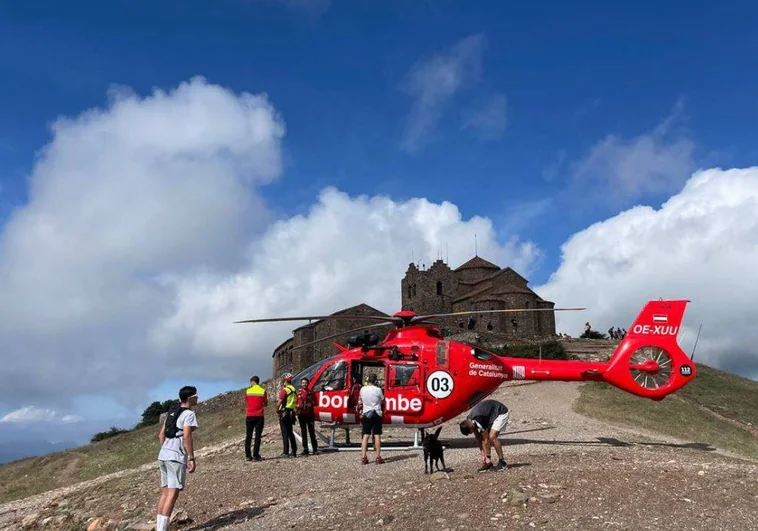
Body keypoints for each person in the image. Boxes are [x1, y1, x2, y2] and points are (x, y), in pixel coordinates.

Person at [156, 386, 199, 531]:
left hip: (163, 454)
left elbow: (161, 435)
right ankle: (162, 529)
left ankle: (159, 527)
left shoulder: (172, 411)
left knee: (165, 492)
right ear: (191, 398)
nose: (198, 398)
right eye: (196, 396)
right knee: (173, 493)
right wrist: (191, 458)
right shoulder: (188, 414)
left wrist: (166, 449)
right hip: (175, 456)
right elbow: (187, 437)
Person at [459, 399, 509, 472]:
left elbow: (486, 440)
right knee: (484, 437)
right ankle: (489, 464)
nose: (472, 433)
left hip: (500, 412)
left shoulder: (479, 420)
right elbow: (478, 438)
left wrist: (487, 456)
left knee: (492, 437)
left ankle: (503, 463)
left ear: (471, 427)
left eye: (471, 432)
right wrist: (483, 454)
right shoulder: (469, 420)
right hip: (489, 414)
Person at [358, 372, 384, 464]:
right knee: (377, 435)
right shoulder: (378, 390)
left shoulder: (362, 389)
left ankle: (363, 457)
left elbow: (360, 401)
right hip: (376, 413)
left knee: (365, 435)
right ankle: (378, 456)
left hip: (366, 413)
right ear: (375, 381)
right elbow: (382, 399)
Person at [245, 376, 268, 461]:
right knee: (258, 436)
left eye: (250, 382)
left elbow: (247, 401)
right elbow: (265, 403)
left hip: (249, 415)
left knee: (248, 436)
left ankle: (248, 455)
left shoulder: (248, 391)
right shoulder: (263, 391)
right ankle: (256, 455)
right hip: (259, 416)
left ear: (253, 382)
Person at [277, 372, 298, 457]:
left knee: (284, 432)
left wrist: (277, 410)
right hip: (291, 412)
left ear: (285, 381)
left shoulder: (285, 390)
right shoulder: (294, 389)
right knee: (290, 432)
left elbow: (279, 402)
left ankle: (285, 452)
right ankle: (294, 451)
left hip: (284, 412)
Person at [296, 377, 318, 455]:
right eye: (303, 383)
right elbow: (295, 402)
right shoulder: (298, 393)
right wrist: (297, 406)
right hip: (301, 414)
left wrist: (310, 404)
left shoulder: (311, 392)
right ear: (301, 384)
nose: (304, 384)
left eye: (305, 383)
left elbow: (315, 402)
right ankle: (305, 449)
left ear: (308, 383)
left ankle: (315, 448)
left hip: (309, 414)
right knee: (303, 432)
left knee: (311, 431)